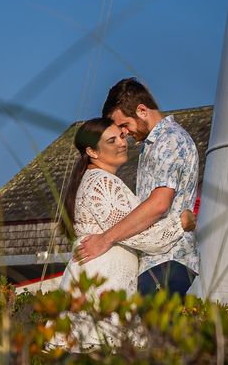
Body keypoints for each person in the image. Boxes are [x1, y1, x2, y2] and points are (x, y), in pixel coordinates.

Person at [52, 116, 190, 346]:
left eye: (121, 136)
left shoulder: (95, 179)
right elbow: (140, 234)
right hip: (103, 281)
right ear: (92, 151)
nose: (121, 143)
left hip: (103, 279)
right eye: (111, 140)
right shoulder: (102, 182)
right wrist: (181, 222)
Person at [76, 78, 201, 296]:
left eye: (123, 125)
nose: (124, 134)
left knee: (153, 329)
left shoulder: (169, 141)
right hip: (155, 260)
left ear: (142, 110)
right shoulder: (152, 145)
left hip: (168, 259)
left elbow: (159, 205)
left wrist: (105, 240)